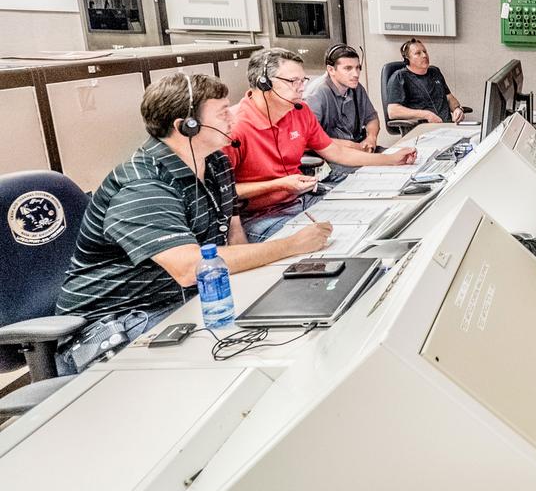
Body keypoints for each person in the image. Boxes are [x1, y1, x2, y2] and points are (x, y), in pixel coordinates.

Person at [56, 73, 334, 364]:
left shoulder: (215, 162)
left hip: (185, 300)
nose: (233, 117)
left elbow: (234, 236)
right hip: (120, 321)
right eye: (222, 112)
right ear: (186, 127)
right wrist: (292, 245)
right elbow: (190, 268)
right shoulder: (142, 185)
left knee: (293, 328)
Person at [226, 48, 417, 241]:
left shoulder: (299, 111)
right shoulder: (233, 127)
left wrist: (390, 159)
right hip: (261, 216)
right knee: (332, 242)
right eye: (293, 81)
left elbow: (337, 153)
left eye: (303, 80)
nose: (301, 88)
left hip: (302, 200)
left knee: (373, 223)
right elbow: (223, 193)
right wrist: (278, 185)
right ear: (264, 83)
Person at [303, 44, 381, 176]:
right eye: (348, 68)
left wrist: (371, 138)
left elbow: (372, 118)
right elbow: (307, 139)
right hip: (330, 158)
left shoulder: (356, 88)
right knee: (374, 173)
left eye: (358, 68)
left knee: (399, 161)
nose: (355, 74)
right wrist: (349, 145)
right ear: (331, 70)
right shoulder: (317, 94)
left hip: (357, 150)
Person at [386, 38, 465, 127]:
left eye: (425, 51)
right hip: (422, 131)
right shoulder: (399, 77)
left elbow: (449, 97)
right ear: (407, 59)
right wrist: (426, 115)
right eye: (418, 53)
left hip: (447, 127)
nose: (424, 55)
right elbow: (393, 111)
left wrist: (457, 109)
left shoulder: (435, 72)